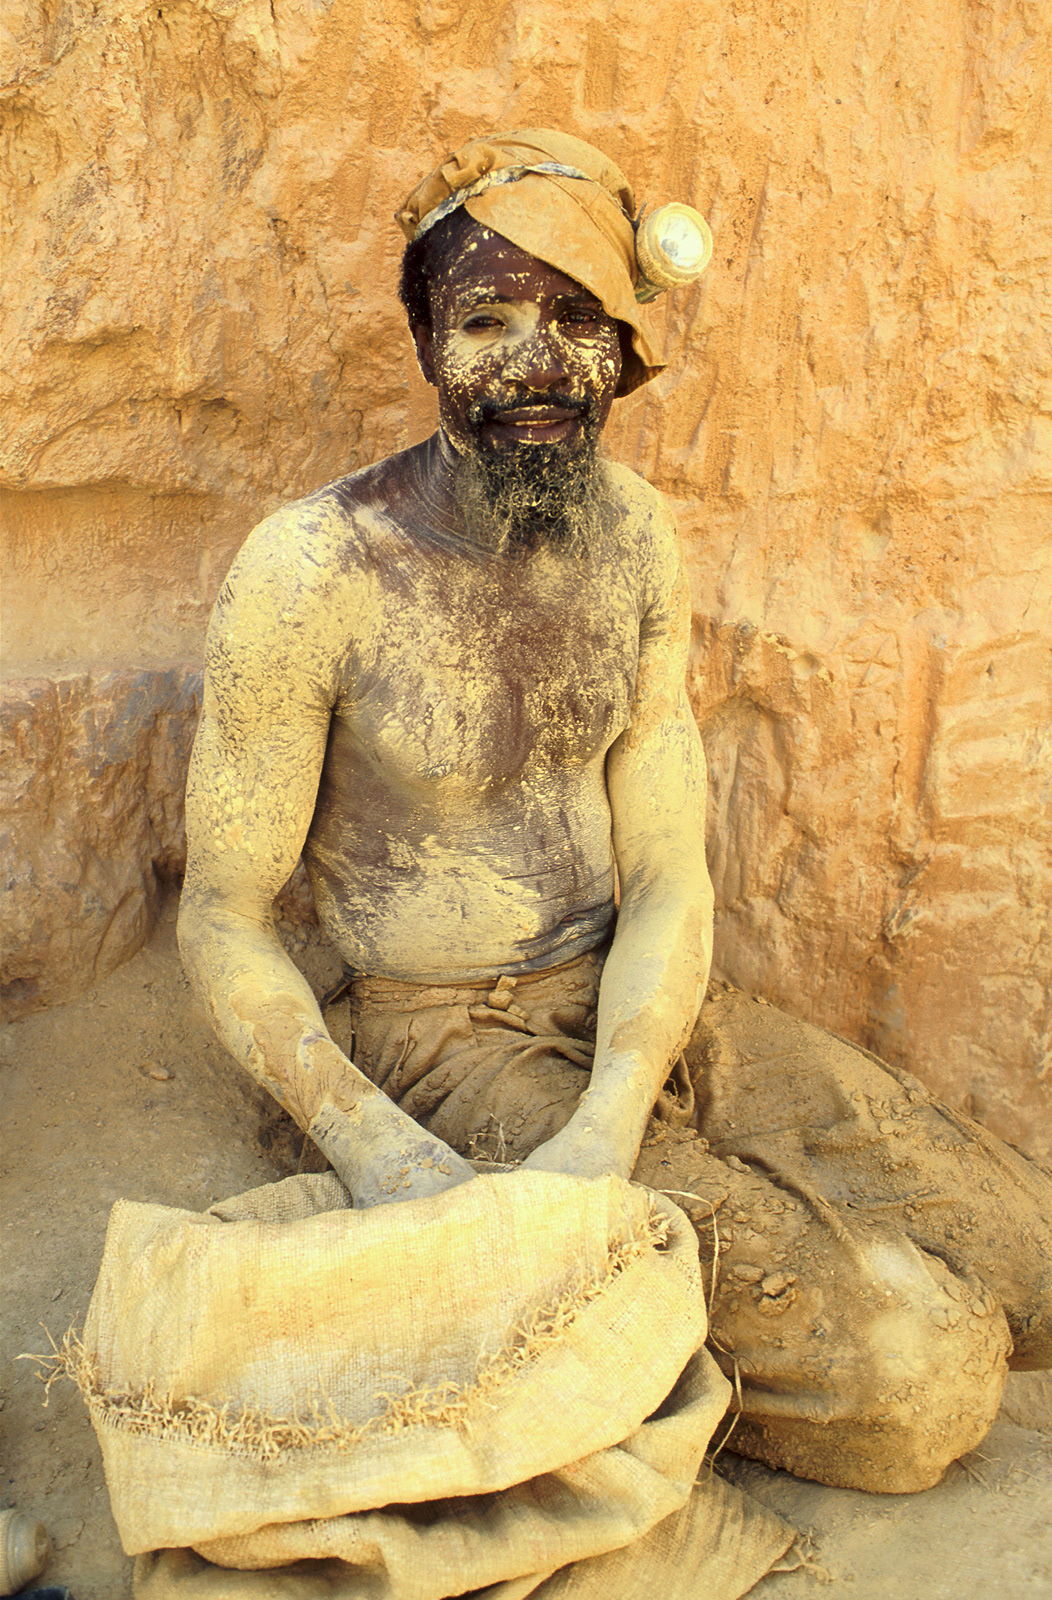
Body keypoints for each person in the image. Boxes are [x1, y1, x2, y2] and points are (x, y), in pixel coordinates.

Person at [178, 128, 1051, 1500]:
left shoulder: (635, 535)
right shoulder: (313, 571)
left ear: (630, 346)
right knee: (918, 1390)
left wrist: (617, 1113)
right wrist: (377, 1146)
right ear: (422, 342)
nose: (536, 362)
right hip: (444, 1040)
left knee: (1035, 1271)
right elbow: (224, 917)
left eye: (578, 316)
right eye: (486, 318)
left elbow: (664, 875)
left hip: (648, 995)